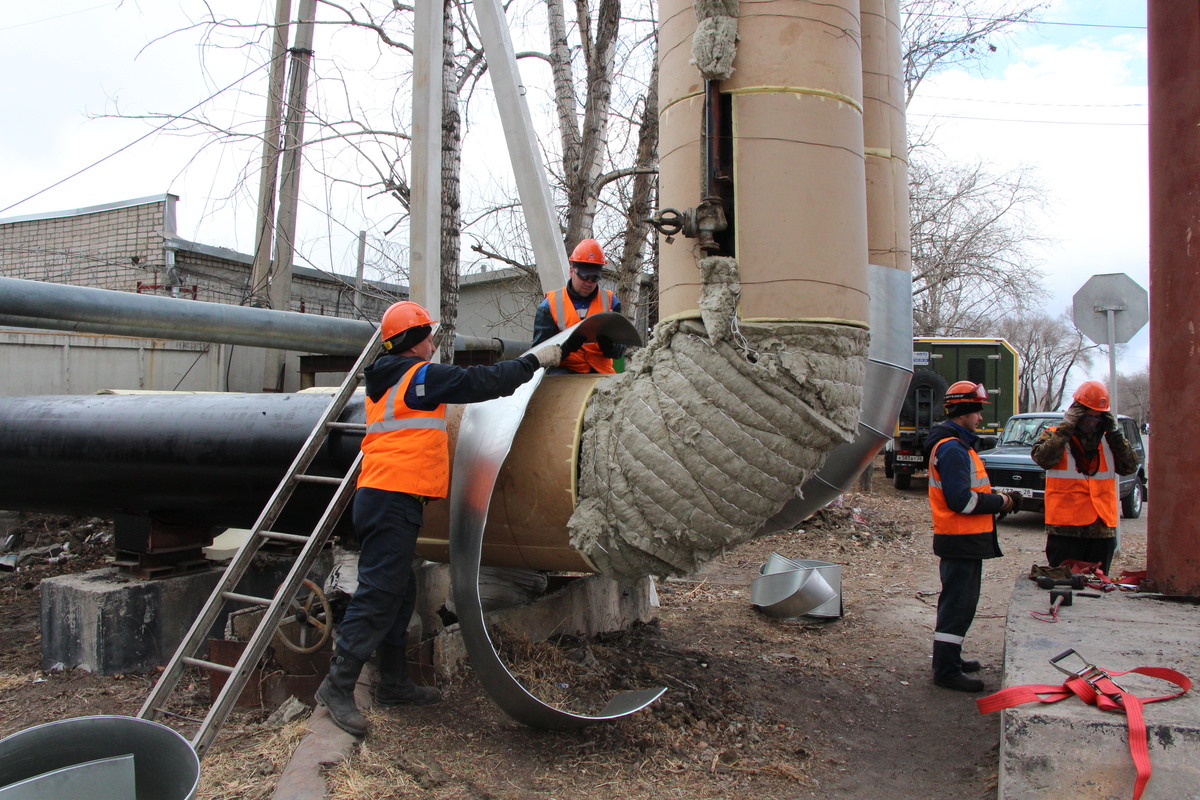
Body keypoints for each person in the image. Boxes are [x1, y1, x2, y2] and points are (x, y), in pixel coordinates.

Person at [315, 300, 562, 736]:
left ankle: (392, 682)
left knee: (399, 590)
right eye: (426, 335)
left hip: (384, 496)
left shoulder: (388, 379)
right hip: (391, 498)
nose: (432, 341)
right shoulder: (418, 378)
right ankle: (336, 686)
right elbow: (484, 381)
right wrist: (533, 361)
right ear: (412, 342)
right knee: (379, 593)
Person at [924, 381, 1021, 693]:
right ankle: (946, 670)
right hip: (960, 539)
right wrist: (1001, 502)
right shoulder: (952, 448)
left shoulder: (957, 445)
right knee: (958, 605)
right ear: (964, 412)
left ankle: (951, 657)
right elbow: (961, 501)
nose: (980, 417)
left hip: (964, 539)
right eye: (977, 410)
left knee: (960, 603)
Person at [1029, 380, 1137, 576]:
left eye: (1097, 420)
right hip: (1065, 530)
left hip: (1102, 528)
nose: (1091, 424)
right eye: (1087, 418)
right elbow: (1043, 459)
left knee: (1097, 585)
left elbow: (1129, 466)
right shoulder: (1054, 435)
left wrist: (1114, 433)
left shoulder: (1111, 440)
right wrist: (1066, 427)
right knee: (1062, 584)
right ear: (1075, 413)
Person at [531, 238, 626, 374]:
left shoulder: (611, 302)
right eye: (584, 276)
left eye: (595, 278)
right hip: (564, 371)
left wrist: (610, 347)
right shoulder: (549, 305)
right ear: (572, 271)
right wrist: (566, 348)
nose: (589, 282)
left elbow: (619, 352)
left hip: (600, 372)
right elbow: (540, 356)